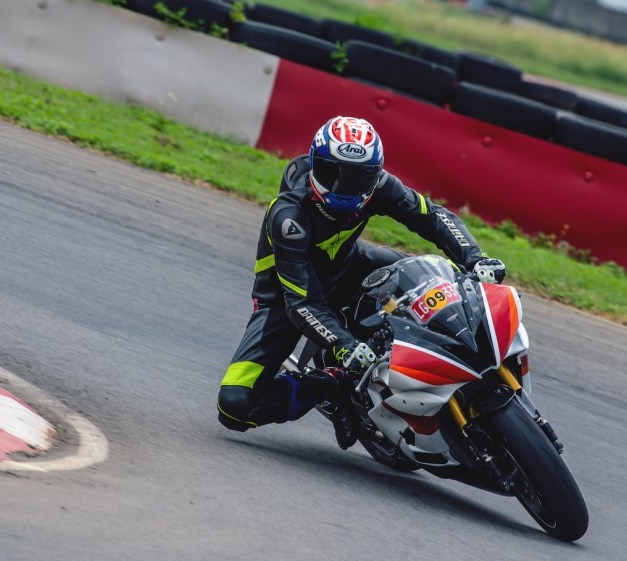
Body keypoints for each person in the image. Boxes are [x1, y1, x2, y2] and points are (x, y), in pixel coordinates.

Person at [216, 116, 506, 449]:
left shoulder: (379, 185)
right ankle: (326, 386)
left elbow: (432, 216)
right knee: (235, 404)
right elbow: (303, 303)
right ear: (315, 164)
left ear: (374, 173)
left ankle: (459, 353)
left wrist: (475, 258)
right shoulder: (288, 216)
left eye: (358, 178)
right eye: (333, 173)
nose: (344, 188)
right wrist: (344, 344)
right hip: (286, 300)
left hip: (349, 267)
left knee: (434, 273)